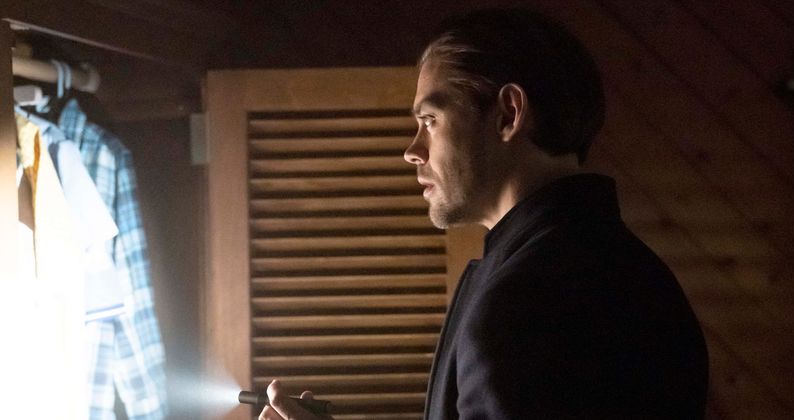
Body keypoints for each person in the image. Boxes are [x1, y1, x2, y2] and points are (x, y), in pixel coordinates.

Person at [260, 8, 709, 420]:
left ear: (509, 114)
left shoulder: (525, 301)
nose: (412, 150)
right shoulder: (624, 267)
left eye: (430, 120)